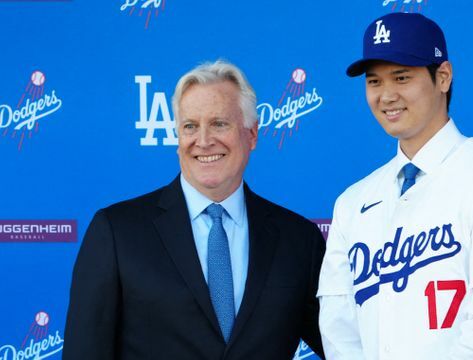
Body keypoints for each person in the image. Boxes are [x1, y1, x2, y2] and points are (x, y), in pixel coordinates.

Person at [317, 12, 473, 359]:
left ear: (443, 77)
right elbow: (339, 327)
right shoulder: (352, 202)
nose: (386, 95)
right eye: (374, 81)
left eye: (401, 77)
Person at [64, 60, 326, 359]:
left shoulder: (299, 240)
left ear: (252, 134)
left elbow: (344, 343)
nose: (203, 141)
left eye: (219, 124)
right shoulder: (116, 232)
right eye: (190, 126)